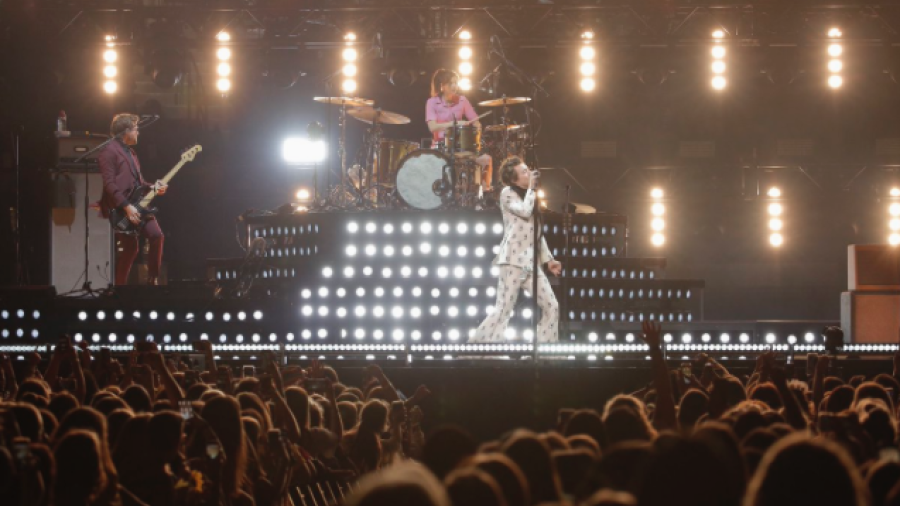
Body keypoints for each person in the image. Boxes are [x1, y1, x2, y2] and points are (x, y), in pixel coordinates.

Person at [470, 157, 561, 343]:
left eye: (528, 170)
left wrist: (548, 260)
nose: (529, 174)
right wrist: (531, 191)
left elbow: (536, 232)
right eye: (524, 172)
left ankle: (544, 351)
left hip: (530, 264)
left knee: (552, 306)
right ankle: (482, 348)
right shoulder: (507, 193)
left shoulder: (530, 196)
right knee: (504, 308)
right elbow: (524, 211)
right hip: (512, 261)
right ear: (514, 179)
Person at [98, 113, 167, 285]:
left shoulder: (131, 153)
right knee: (131, 249)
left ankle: (153, 279)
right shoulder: (108, 151)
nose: (138, 132)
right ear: (126, 131)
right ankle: (119, 288)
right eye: (136, 129)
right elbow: (109, 184)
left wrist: (153, 187)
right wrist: (127, 207)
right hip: (122, 208)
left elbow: (139, 182)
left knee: (156, 235)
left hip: (139, 204)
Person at [426, 69, 493, 191]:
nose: (454, 86)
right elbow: (432, 127)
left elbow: (476, 121)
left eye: (456, 83)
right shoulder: (432, 102)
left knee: (486, 160)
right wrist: (455, 123)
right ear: (442, 85)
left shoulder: (462, 100)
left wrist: (477, 129)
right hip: (440, 147)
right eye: (451, 83)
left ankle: (485, 194)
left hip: (462, 147)